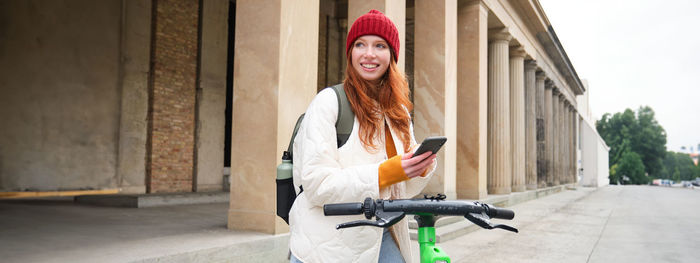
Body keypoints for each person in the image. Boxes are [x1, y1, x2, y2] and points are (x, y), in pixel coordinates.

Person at [288, 9, 437, 263]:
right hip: (327, 245)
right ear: (350, 53)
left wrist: (420, 167)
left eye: (379, 45)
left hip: (383, 234)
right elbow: (316, 185)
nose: (369, 54)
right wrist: (383, 173)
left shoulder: (398, 111)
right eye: (360, 44)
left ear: (392, 55)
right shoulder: (328, 102)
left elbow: (402, 189)